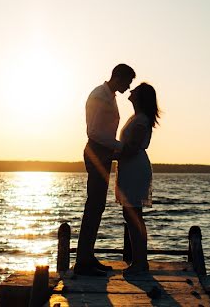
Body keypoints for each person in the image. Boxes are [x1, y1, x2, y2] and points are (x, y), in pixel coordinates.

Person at [73, 63, 136, 276]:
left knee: (97, 207)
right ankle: (83, 261)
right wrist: (121, 147)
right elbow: (94, 132)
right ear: (119, 77)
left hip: (104, 154)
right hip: (97, 153)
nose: (128, 87)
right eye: (128, 82)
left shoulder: (108, 95)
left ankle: (87, 257)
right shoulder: (100, 96)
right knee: (93, 206)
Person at [115, 82, 160, 274]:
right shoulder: (136, 118)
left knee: (134, 215)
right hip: (129, 166)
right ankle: (138, 260)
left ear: (140, 97)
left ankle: (140, 262)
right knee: (131, 214)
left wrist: (110, 155)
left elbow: (132, 147)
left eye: (135, 90)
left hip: (134, 167)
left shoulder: (141, 120)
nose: (130, 91)